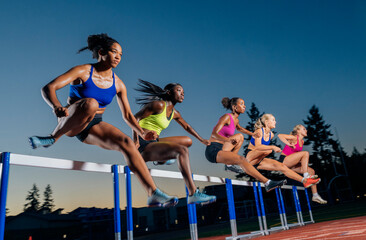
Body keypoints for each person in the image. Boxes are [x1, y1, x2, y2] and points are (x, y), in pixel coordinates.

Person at [28, 34, 179, 208]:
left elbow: (128, 116)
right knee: (91, 103)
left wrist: (142, 132)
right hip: (71, 120)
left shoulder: (118, 84)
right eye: (114, 52)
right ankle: (52, 137)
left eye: (121, 55)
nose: (118, 57)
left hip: (94, 126)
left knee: (127, 143)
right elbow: (49, 87)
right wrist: (56, 106)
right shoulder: (83, 71)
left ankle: (153, 193)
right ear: (101, 52)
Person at [133, 79, 216, 205]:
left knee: (187, 141)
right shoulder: (158, 105)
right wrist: (136, 141)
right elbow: (135, 118)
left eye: (183, 92)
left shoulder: (174, 113)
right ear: (168, 92)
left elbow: (187, 126)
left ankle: (161, 159)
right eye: (179, 90)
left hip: (154, 141)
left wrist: (201, 139)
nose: (182, 94)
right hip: (143, 145)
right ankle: (193, 193)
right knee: (182, 151)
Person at [206, 97, 286, 192]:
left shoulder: (236, 120)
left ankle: (229, 165)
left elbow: (240, 129)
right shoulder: (226, 117)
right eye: (242, 104)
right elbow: (214, 134)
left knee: (240, 136)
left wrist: (252, 134)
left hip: (223, 147)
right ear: (235, 107)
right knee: (241, 159)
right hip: (213, 149)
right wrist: (227, 140)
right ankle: (267, 183)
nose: (244, 106)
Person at [245, 114, 321, 189]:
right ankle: (244, 165)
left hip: (259, 160)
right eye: (273, 120)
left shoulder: (271, 135)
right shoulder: (259, 131)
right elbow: (258, 147)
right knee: (268, 151)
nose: (275, 122)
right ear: (267, 122)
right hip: (250, 156)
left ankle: (305, 181)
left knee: (282, 167)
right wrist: (273, 147)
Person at [278, 125, 327, 204]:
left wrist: (302, 163)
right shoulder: (294, 137)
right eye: (304, 129)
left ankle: (315, 195)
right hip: (284, 161)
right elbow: (280, 135)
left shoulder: (302, 141)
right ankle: (306, 177)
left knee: (311, 171)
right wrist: (289, 144)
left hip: (292, 164)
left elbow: (295, 154)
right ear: (298, 131)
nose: (306, 130)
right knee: (305, 153)